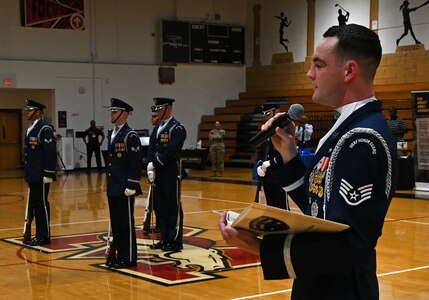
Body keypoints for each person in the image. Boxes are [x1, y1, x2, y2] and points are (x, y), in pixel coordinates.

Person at [219, 24, 398, 300]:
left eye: (319, 65)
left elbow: (351, 243)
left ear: (349, 71)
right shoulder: (346, 127)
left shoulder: (364, 140)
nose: (309, 74)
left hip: (341, 290)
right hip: (320, 283)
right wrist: (288, 153)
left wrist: (259, 247)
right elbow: (320, 210)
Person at [105, 98, 142, 269]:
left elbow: (135, 162)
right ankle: (119, 255)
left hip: (125, 187)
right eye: (111, 111)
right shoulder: (112, 133)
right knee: (117, 224)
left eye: (115, 111)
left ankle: (128, 258)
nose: (112, 114)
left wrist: (132, 185)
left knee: (126, 224)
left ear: (124, 114)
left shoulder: (130, 135)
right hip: (113, 186)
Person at [147, 97, 187, 252]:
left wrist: (155, 163)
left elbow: (171, 151)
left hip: (171, 174)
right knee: (160, 208)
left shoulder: (177, 128)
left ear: (168, 108)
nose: (156, 111)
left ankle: (175, 240)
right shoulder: (158, 127)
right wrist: (150, 166)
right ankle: (164, 238)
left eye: (159, 108)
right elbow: (151, 147)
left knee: (172, 208)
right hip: (158, 174)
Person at [23, 99, 56, 246]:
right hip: (32, 173)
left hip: (41, 174)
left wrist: (48, 173)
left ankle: (44, 235)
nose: (27, 112)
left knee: (41, 204)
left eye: (29, 110)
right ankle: (39, 234)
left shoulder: (44, 129)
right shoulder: (31, 128)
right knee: (36, 204)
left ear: (38, 112)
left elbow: (49, 152)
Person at [255, 102, 289, 210]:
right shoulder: (265, 130)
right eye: (264, 114)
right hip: (267, 175)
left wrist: (270, 163)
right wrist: (260, 165)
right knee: (270, 203)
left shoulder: (282, 129)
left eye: (268, 113)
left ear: (276, 112)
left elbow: (286, 153)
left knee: (281, 205)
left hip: (279, 173)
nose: (265, 116)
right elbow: (261, 151)